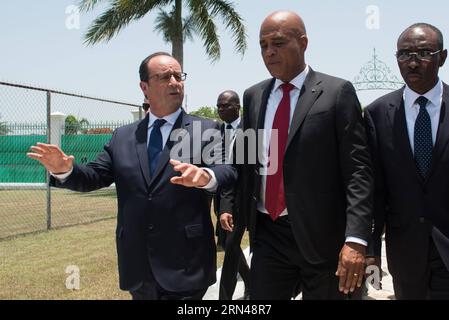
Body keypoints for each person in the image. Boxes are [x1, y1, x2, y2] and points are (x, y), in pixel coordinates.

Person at [27, 52, 237, 300]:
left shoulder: (207, 129)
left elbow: (227, 169)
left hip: (186, 264)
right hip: (138, 265)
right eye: (164, 76)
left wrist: (204, 176)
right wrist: (64, 169)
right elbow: (94, 175)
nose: (174, 82)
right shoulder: (123, 136)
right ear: (144, 87)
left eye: (178, 76)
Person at [235, 11, 373, 300]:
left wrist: (356, 239)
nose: (269, 52)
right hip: (268, 235)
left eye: (278, 43)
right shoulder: (253, 96)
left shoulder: (337, 93)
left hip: (324, 240)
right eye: (263, 45)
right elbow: (245, 162)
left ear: (303, 42)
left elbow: (358, 171)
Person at [364, 23, 449, 299]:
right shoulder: (377, 114)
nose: (412, 63)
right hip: (405, 253)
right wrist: (371, 250)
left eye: (423, 53)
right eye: (403, 54)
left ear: (443, 57)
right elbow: (374, 190)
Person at [213, 90, 250, 300]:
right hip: (224, 199)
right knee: (230, 246)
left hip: (248, 198)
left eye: (225, 105)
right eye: (218, 106)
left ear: (238, 107)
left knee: (231, 246)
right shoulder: (215, 132)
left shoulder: (251, 128)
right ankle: (251, 283)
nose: (220, 110)